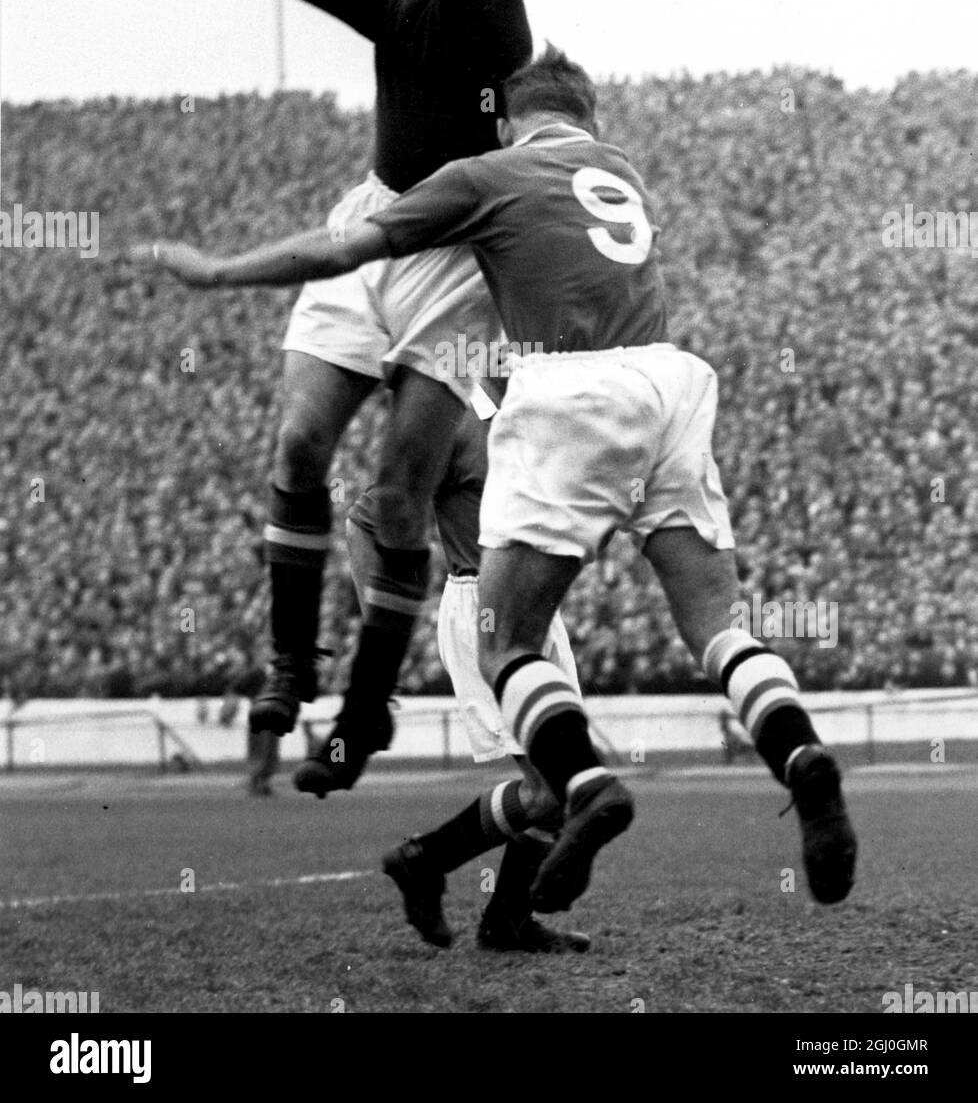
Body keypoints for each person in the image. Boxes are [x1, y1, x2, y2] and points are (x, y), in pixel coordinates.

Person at [131, 45, 858, 913]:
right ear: (587, 115)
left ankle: (589, 786)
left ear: (509, 118)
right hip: (672, 382)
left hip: (572, 387)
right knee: (717, 629)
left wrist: (216, 272)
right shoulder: (619, 170)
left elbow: (341, 251)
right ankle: (802, 756)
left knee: (507, 641)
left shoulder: (488, 172)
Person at [227, 0, 533, 793]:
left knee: (400, 496)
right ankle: (287, 671)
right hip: (371, 221)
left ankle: (362, 717)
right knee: (301, 443)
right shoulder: (399, 2)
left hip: (454, 256)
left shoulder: (495, 4)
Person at [348, 412, 590, 953]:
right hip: (486, 611)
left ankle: (501, 917)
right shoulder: (455, 424)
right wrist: (380, 634)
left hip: (539, 609)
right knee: (552, 787)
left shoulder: (541, 414)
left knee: (567, 787)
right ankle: (429, 864)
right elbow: (364, 522)